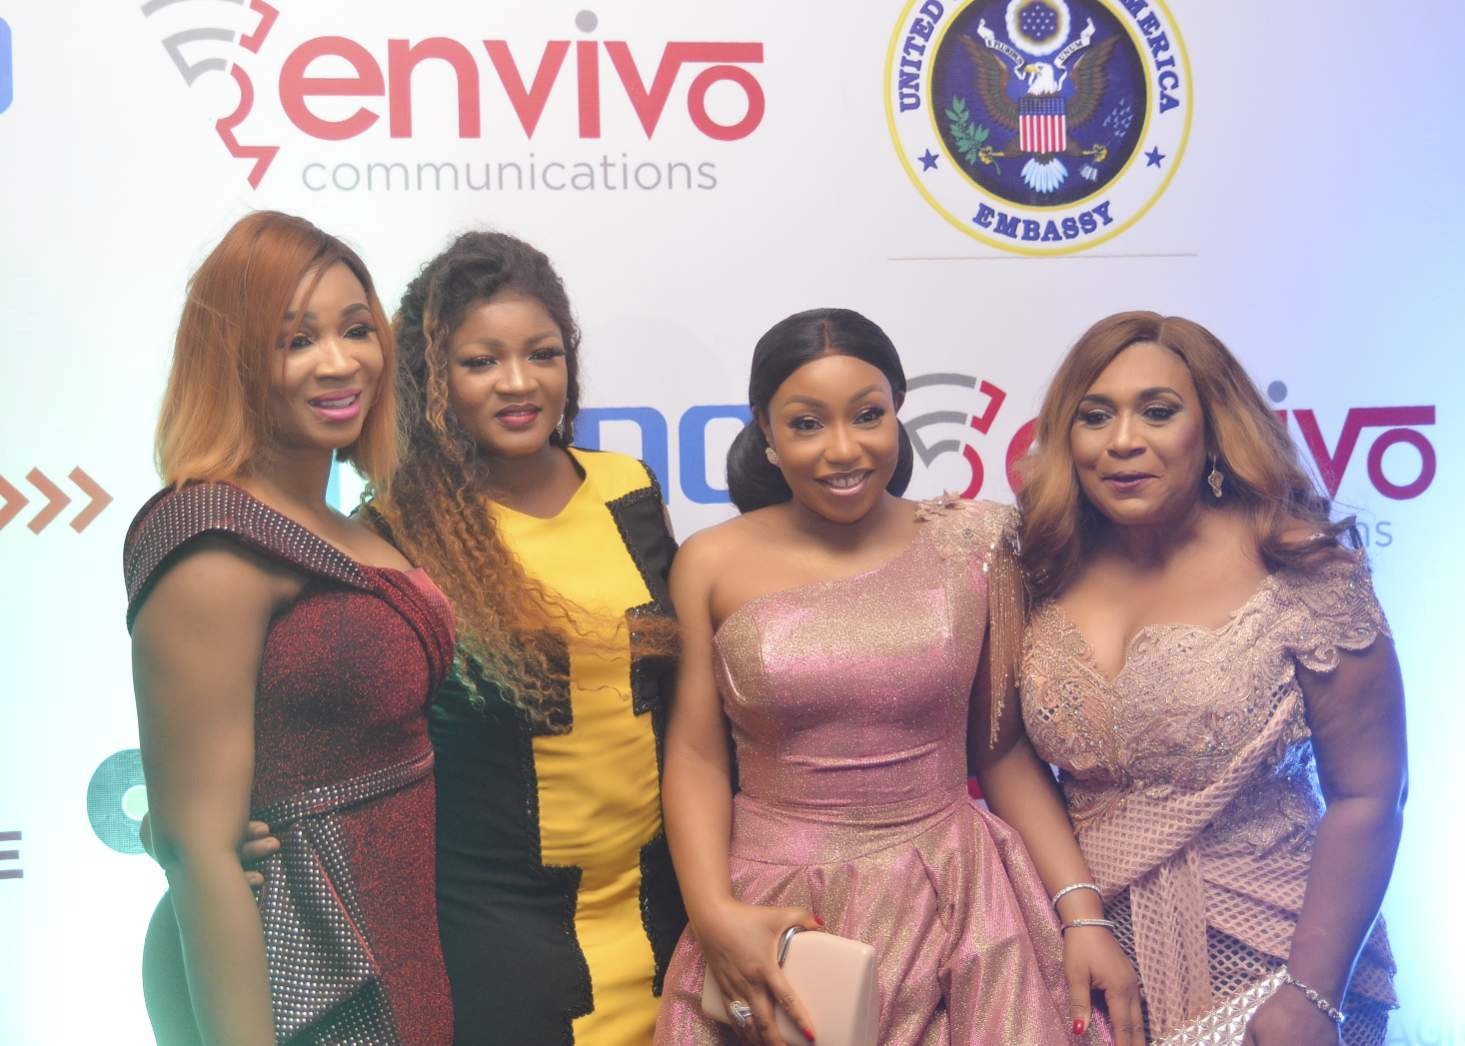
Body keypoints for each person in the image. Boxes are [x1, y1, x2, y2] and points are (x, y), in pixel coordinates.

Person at [653, 308, 1138, 1046]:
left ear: (899, 410)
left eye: (867, 415)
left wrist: (1082, 914)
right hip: (776, 906)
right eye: (806, 424)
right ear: (766, 432)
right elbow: (695, 756)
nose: (843, 449)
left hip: (961, 903)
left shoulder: (977, 542)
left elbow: (1003, 752)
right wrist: (713, 913)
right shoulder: (709, 561)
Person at [1012, 312, 1405, 1043]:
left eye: (1157, 412)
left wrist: (1312, 994)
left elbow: (1370, 794)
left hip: (1276, 961)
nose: (1122, 440)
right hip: (1086, 961)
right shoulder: (1038, 570)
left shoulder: (1300, 568)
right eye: (1094, 416)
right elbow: (1006, 756)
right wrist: (1077, 914)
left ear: (1213, 428)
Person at [125, 211, 455, 1044]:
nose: (340, 363)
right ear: (232, 358)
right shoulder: (212, 539)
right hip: (302, 975)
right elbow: (197, 850)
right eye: (296, 340)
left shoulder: (348, 524)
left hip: (400, 952)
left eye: (356, 329)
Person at [361, 231, 685, 1044]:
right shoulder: (395, 534)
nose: (519, 382)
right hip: (499, 947)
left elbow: (690, 704)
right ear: (432, 378)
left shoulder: (628, 487)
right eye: (481, 361)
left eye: (542, 354)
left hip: (666, 918)